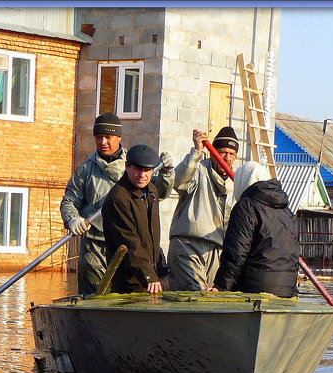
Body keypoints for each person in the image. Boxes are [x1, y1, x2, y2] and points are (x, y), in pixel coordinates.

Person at [61, 112, 173, 295]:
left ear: (119, 137)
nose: (103, 142)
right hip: (96, 244)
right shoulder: (85, 171)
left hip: (131, 244)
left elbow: (159, 192)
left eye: (108, 137)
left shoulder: (137, 163)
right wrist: (73, 219)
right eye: (99, 137)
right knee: (95, 293)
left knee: (129, 292)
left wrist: (168, 172)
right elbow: (69, 201)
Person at [166, 126, 240, 291]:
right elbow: (178, 182)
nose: (226, 158)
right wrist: (196, 151)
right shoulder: (198, 169)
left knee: (211, 301)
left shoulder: (237, 182)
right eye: (222, 152)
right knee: (192, 296)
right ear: (213, 152)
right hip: (188, 244)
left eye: (231, 153)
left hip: (217, 250)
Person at [213, 161, 301, 298]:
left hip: (254, 287)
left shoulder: (246, 206)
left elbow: (236, 252)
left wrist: (221, 287)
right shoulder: (287, 212)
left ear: (244, 181)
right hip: (287, 289)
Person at [100, 144, 167, 295]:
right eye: (138, 169)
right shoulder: (119, 198)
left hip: (151, 278)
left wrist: (161, 271)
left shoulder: (152, 192)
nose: (142, 175)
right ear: (127, 167)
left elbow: (153, 238)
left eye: (147, 170)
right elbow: (130, 243)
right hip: (128, 282)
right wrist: (148, 277)